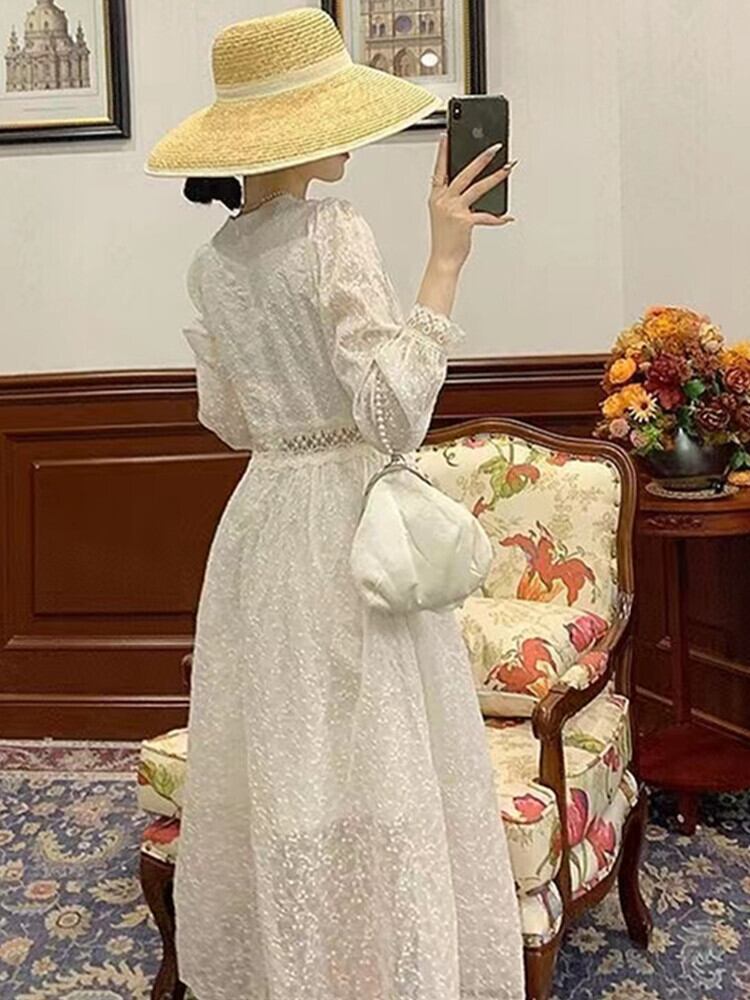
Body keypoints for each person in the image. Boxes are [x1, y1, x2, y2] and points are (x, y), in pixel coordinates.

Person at [147, 8, 524, 1000]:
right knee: (385, 758)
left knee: (293, 762)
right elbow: (393, 414)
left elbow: (230, 420)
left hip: (262, 528)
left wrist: (293, 412)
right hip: (349, 527)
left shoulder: (213, 263)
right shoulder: (333, 230)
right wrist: (445, 261)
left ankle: (304, 968)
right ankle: (396, 969)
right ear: (298, 132)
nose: (351, 136)